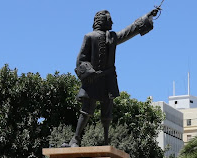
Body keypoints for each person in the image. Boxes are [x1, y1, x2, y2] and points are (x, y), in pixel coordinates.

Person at [64, 8, 159, 147]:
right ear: (102, 21)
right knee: (86, 111)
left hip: (108, 79)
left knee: (107, 112)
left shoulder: (112, 37)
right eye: (110, 20)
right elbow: (81, 59)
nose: (112, 22)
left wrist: (147, 17)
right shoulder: (89, 36)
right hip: (93, 79)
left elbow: (129, 31)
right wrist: (89, 73)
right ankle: (76, 139)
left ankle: (106, 141)